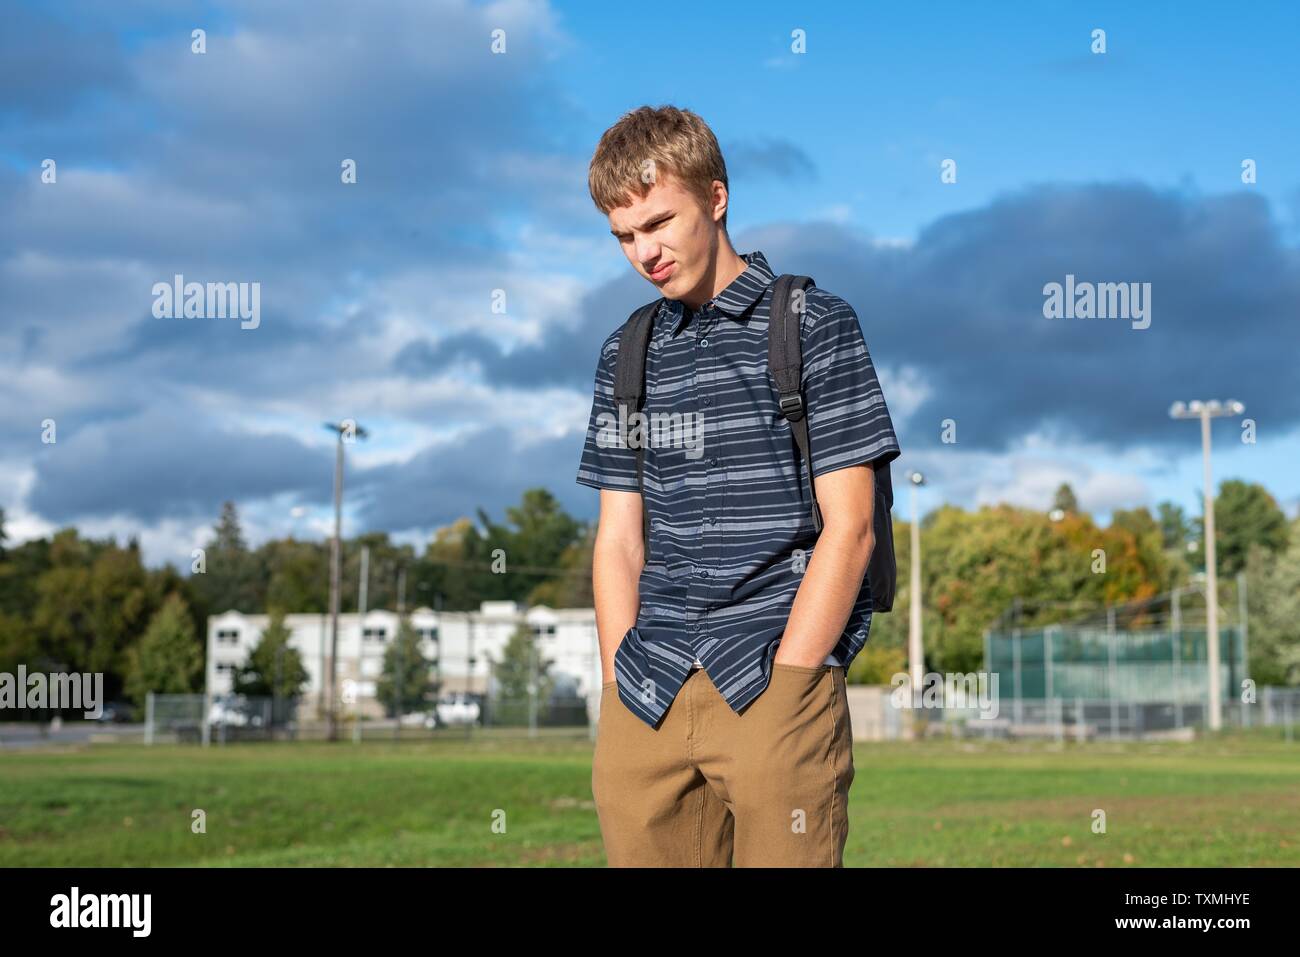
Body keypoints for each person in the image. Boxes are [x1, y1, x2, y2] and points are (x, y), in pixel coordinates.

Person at [576, 105, 902, 867]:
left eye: (660, 223)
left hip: (770, 679)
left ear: (715, 198)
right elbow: (619, 539)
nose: (644, 253)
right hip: (646, 692)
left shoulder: (813, 323)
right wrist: (616, 686)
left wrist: (794, 681)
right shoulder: (626, 352)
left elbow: (850, 526)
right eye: (624, 236)